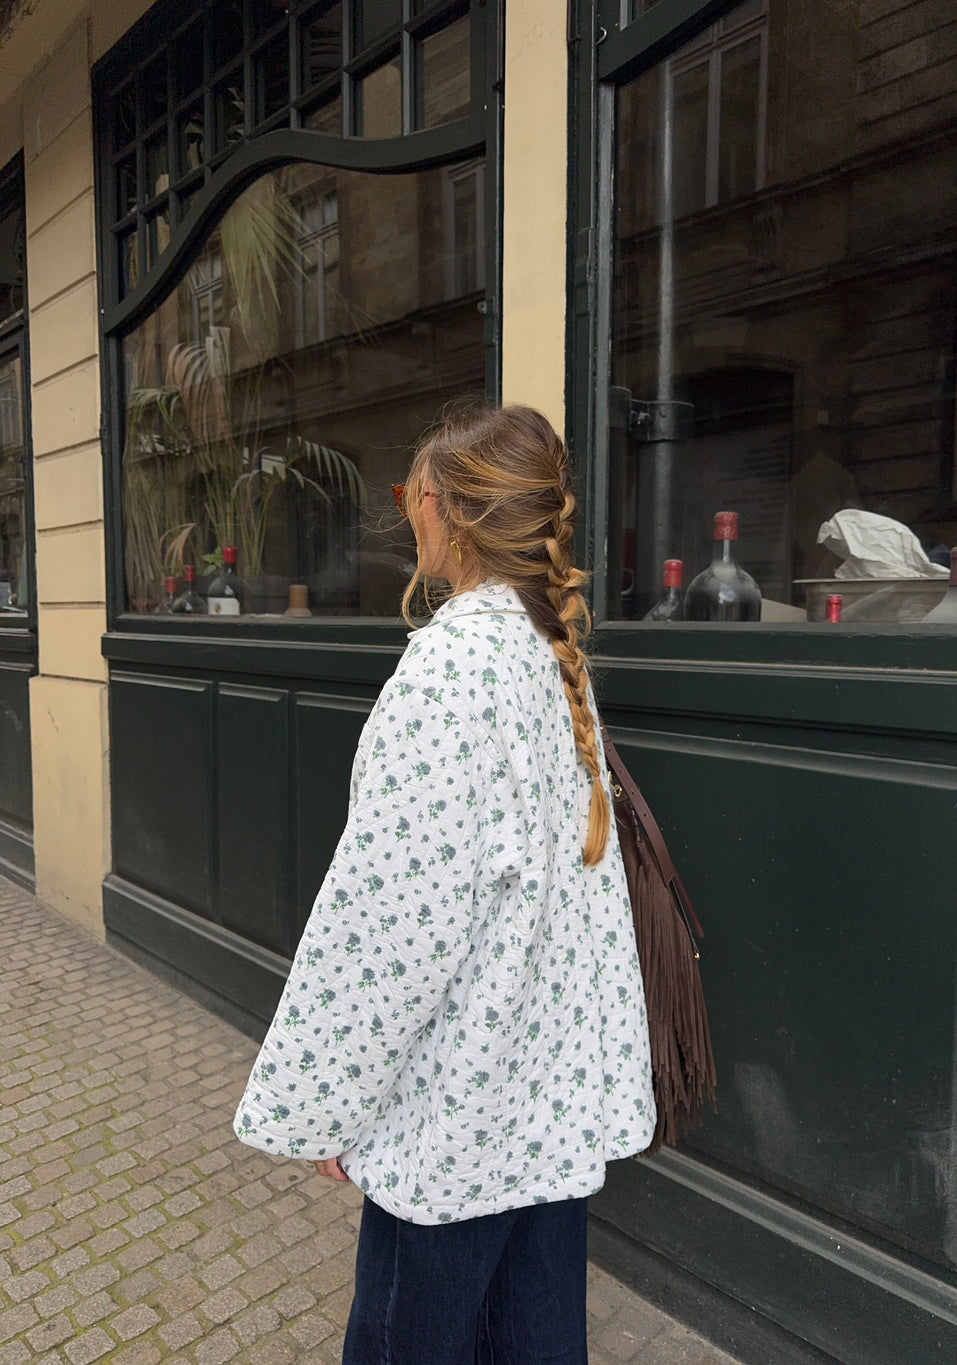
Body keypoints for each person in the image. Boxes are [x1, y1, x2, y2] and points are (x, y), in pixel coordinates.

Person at [234, 402, 656, 1364]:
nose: (408, 516)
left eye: (410, 497)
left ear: (449, 511)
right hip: (545, 1108)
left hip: (455, 1123)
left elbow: (389, 927)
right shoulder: (553, 660)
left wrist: (333, 1102)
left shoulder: (451, 672)